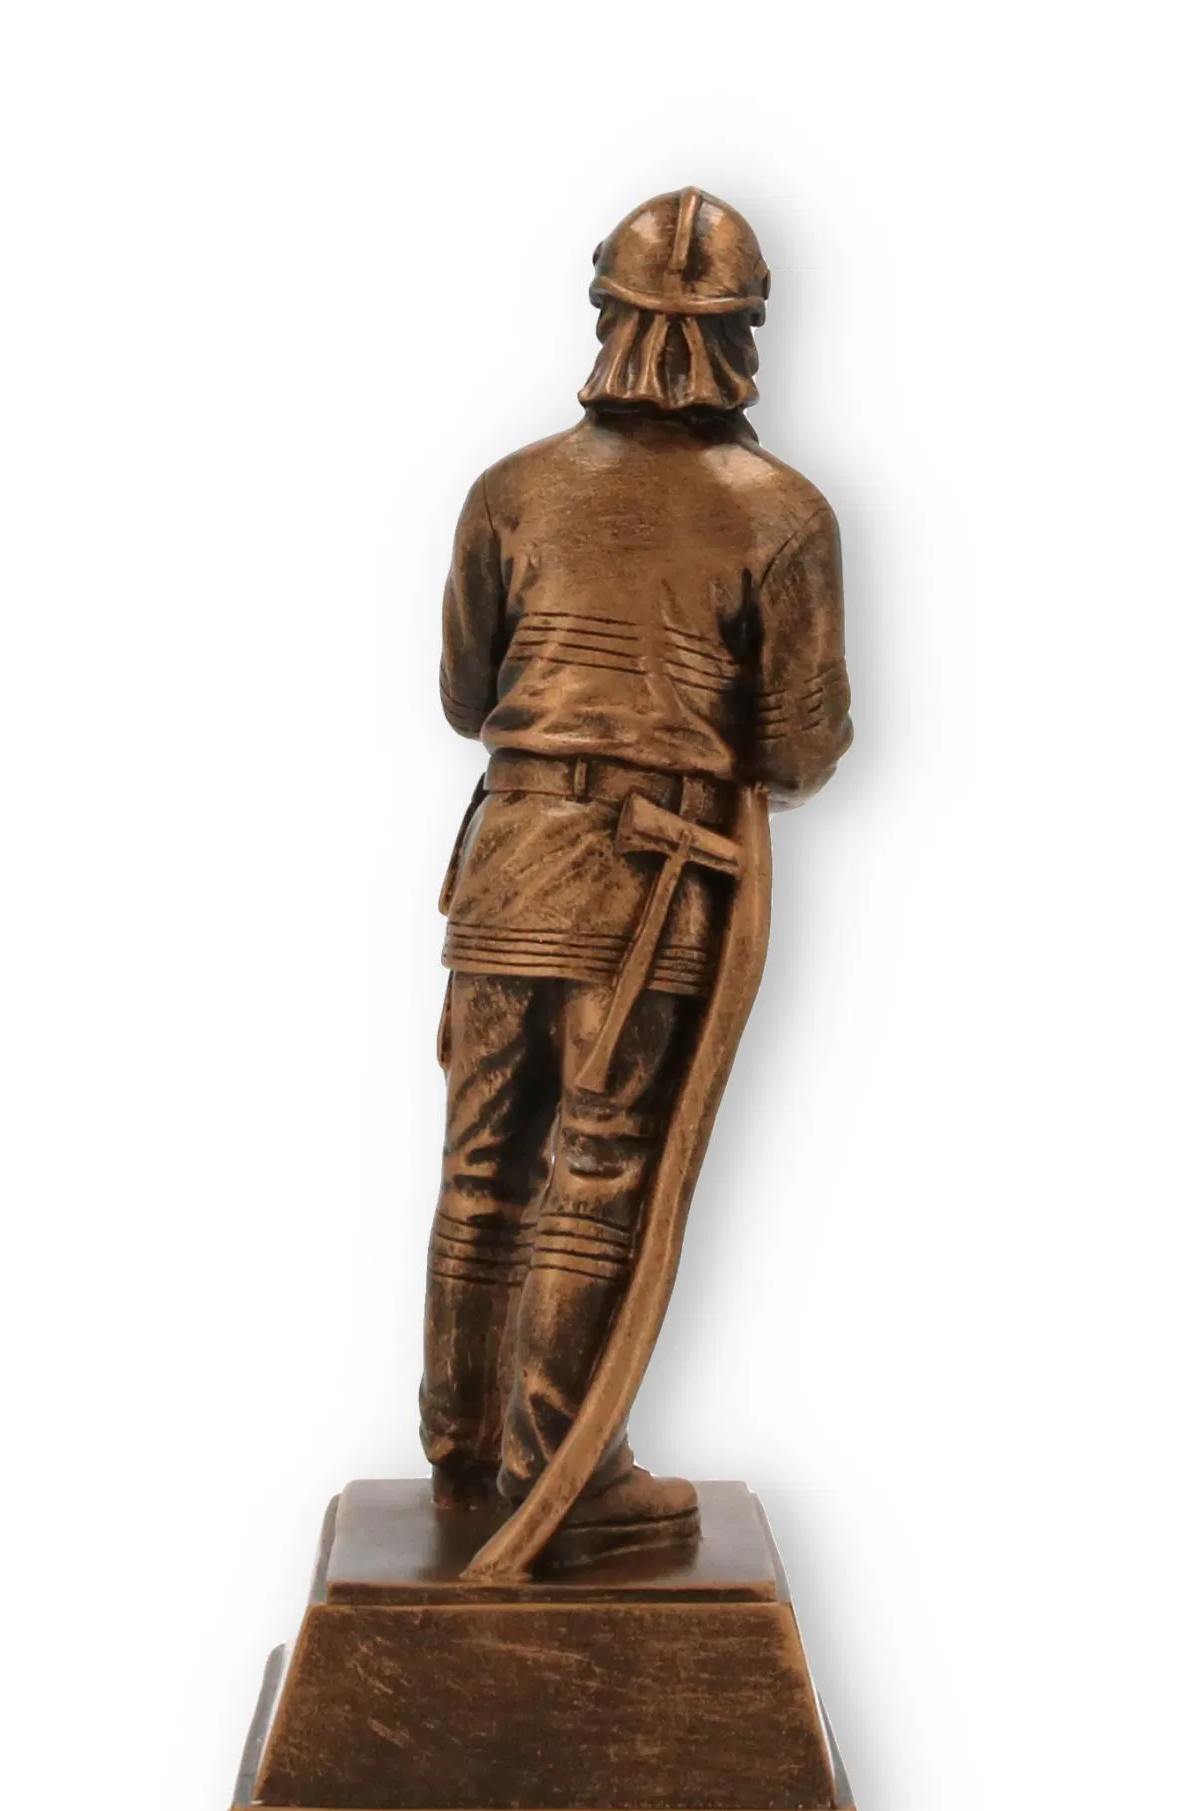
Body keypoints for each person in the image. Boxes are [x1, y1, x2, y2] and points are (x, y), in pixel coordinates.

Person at [420, 188, 853, 1564]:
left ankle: (462, 1442)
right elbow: (801, 746)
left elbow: (467, 696)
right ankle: (565, 1464)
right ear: (745, 334)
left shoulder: (512, 490)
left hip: (509, 861)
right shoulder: (780, 513)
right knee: (599, 1166)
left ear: (605, 312)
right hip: (646, 884)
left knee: (483, 1160)